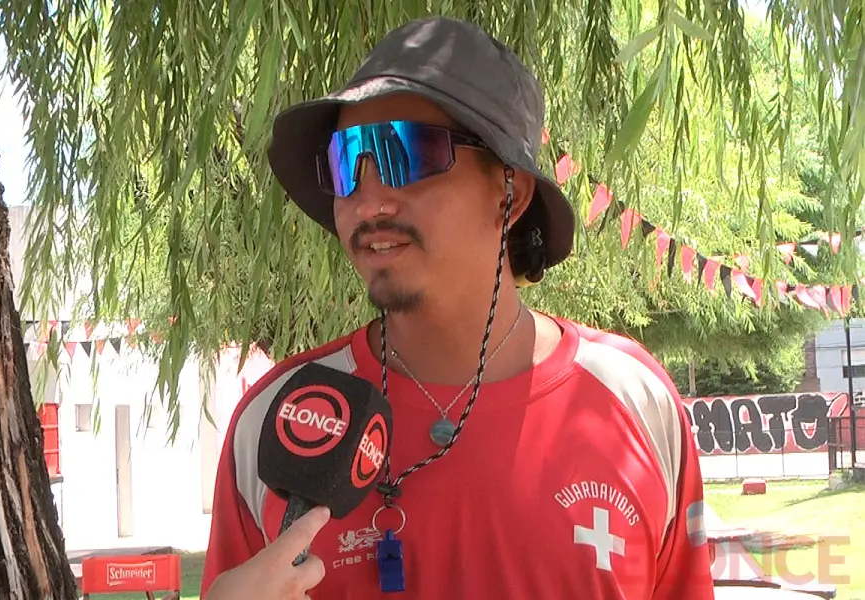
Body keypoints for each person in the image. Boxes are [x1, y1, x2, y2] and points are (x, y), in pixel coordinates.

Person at [200, 16, 715, 600]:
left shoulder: (636, 402)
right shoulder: (277, 421)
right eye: (346, 161)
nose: (368, 202)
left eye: (407, 153)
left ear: (510, 194)